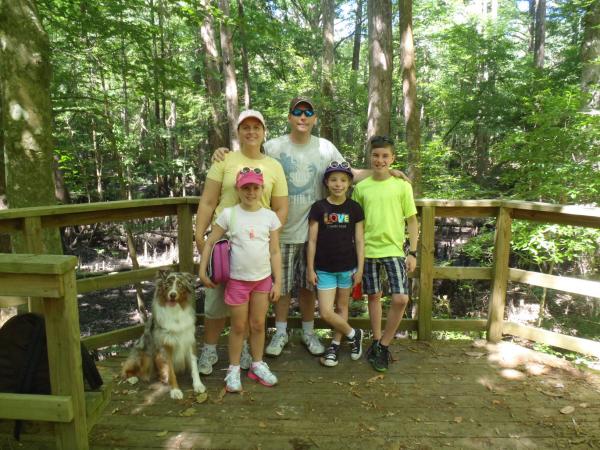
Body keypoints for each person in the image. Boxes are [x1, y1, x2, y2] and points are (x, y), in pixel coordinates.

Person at [212, 97, 409, 358]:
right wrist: (224, 151)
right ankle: (281, 332)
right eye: (297, 112)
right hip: (279, 230)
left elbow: (348, 173)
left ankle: (307, 331)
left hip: (316, 233)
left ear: (314, 118)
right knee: (280, 288)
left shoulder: (325, 148)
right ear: (290, 117)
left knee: (307, 287)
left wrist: (384, 172)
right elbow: (250, 153)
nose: (302, 116)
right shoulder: (273, 146)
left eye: (308, 112)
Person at [195, 110, 288, 376]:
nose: (251, 132)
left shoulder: (273, 166)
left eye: (256, 127)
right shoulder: (224, 159)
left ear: (263, 131)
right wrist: (199, 236)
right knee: (215, 300)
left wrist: (270, 236)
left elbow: (280, 207)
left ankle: (247, 348)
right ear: (238, 131)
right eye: (245, 127)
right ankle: (210, 348)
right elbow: (208, 201)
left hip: (255, 242)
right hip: (223, 241)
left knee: (250, 303)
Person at [199, 169, 282, 392]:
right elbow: (210, 243)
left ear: (262, 190)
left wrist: (279, 282)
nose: (251, 192)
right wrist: (202, 270)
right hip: (237, 281)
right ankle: (233, 369)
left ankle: (257, 363)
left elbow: (274, 251)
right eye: (246, 187)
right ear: (238, 189)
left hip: (262, 281)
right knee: (237, 326)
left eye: (255, 188)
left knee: (257, 324)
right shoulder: (229, 214)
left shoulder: (269, 217)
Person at [351, 135, 419, 372]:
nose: (380, 160)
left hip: (394, 250)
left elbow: (411, 220)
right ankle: (377, 343)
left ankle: (385, 343)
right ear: (370, 157)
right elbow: (357, 224)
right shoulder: (360, 188)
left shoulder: (402, 186)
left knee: (401, 298)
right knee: (374, 297)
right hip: (368, 251)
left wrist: (413, 252)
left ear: (392, 158)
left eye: (385, 156)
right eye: (376, 155)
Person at [306, 161, 365, 367]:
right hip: (324, 268)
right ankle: (354, 333)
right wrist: (310, 267)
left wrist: (360, 269)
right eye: (333, 180)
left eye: (343, 180)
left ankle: (335, 344)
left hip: (347, 267)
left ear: (349, 183)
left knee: (342, 306)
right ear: (326, 182)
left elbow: (359, 240)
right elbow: (312, 240)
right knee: (325, 311)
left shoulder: (354, 208)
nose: (338, 184)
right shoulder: (319, 207)